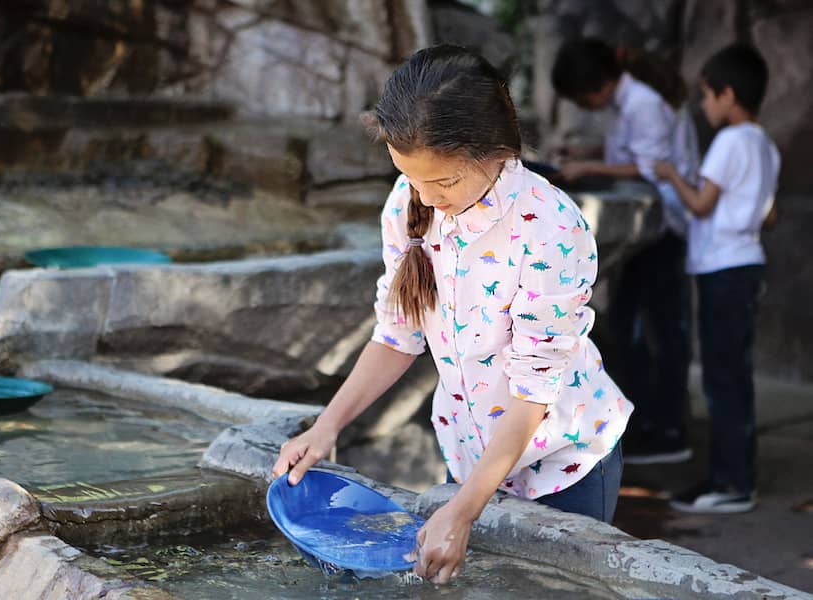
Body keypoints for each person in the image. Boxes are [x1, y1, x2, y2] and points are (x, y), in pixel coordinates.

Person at [272, 45, 634, 584]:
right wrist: (326, 427)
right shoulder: (408, 202)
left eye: (443, 183)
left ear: (495, 151)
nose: (425, 196)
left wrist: (463, 511)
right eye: (411, 177)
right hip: (468, 456)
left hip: (564, 463)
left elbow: (534, 390)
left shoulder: (552, 228)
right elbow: (397, 336)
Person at [551, 39, 698, 465]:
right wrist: (588, 153)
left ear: (592, 86)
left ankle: (667, 430)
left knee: (654, 328)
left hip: (662, 226)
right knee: (634, 323)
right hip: (654, 228)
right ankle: (650, 423)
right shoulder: (630, 101)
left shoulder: (643, 103)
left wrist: (589, 168)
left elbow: (651, 166)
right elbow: (635, 152)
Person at [654, 43, 779, 514]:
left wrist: (671, 175)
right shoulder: (765, 144)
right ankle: (734, 476)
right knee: (734, 376)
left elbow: (701, 204)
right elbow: (769, 216)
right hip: (747, 262)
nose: (705, 106)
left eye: (707, 96)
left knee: (723, 379)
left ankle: (730, 483)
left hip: (723, 267)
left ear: (727, 94)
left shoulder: (729, 142)